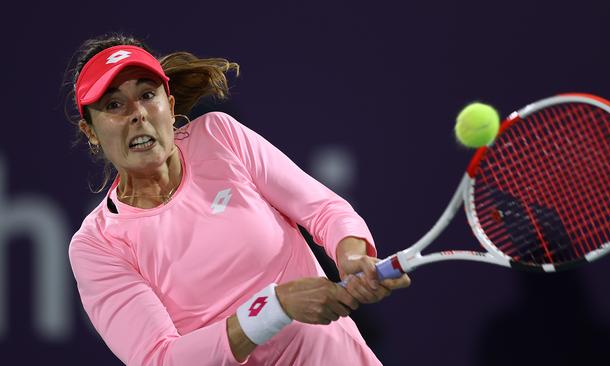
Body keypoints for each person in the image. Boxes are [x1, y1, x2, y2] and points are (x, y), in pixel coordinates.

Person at [65, 33, 410, 365]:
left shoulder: (220, 136)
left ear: (169, 106)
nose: (137, 113)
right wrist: (276, 306)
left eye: (147, 95)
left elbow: (324, 210)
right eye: (113, 104)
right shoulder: (97, 246)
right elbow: (160, 359)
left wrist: (350, 257)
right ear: (91, 132)